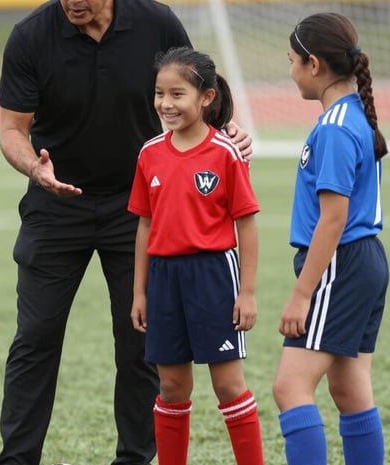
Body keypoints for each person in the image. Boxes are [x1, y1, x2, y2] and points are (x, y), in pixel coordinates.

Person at [0, 1, 252, 464]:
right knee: (35, 337)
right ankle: (17, 459)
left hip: (140, 207)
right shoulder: (30, 35)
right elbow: (12, 129)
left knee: (139, 342)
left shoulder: (156, 22)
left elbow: (192, 86)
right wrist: (35, 168)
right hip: (54, 204)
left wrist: (226, 130)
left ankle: (134, 458)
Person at [128, 46, 264, 465]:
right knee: (171, 385)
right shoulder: (149, 153)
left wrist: (248, 292)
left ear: (206, 98)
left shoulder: (226, 152)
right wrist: (140, 292)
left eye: (177, 94)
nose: (165, 104)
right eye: (159, 93)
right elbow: (145, 225)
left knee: (227, 384)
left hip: (214, 275)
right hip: (164, 278)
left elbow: (246, 223)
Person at [271, 12, 389, 465]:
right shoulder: (355, 113)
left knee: (290, 387)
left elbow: (333, 218)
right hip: (364, 261)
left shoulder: (338, 126)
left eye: (291, 61)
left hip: (340, 262)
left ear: (314, 64)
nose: (291, 70)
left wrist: (303, 295)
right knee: (349, 387)